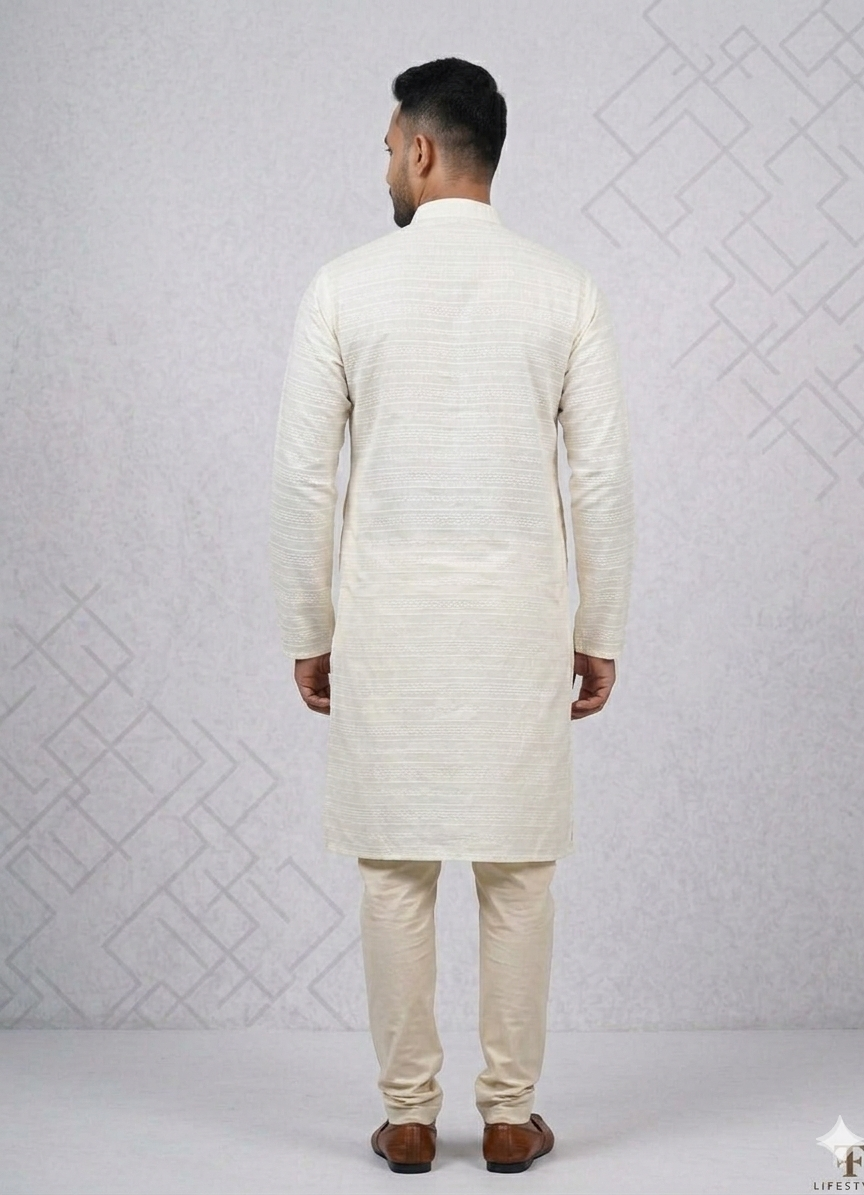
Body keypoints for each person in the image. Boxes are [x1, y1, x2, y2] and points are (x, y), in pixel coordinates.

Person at [268, 56, 635, 1174]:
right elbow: (600, 479)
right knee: (517, 871)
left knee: (395, 870)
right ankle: (512, 1115)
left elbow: (303, 479)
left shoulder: (343, 288)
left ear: (422, 151)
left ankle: (410, 1116)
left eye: (389, 146)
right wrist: (600, 626)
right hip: (518, 632)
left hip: (388, 633)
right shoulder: (563, 290)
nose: (386, 163)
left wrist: (308, 627)